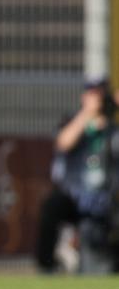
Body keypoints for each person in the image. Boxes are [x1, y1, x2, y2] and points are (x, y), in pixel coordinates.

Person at [38, 77, 119, 273]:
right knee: (51, 206)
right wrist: (87, 113)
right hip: (75, 199)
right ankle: (48, 267)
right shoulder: (73, 123)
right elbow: (63, 142)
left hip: (107, 201)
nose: (98, 99)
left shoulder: (112, 130)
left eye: (101, 94)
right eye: (94, 94)